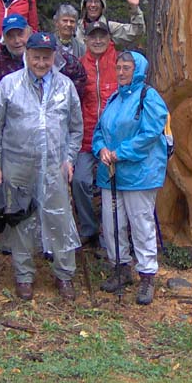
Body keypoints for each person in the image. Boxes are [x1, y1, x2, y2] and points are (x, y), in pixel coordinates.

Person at [0, 32, 83, 301]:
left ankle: (64, 274)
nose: (41, 63)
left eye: (46, 58)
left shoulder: (65, 86)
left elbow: (76, 128)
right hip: (17, 164)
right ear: (27, 55)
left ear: (54, 57)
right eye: (36, 57)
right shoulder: (9, 85)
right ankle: (24, 276)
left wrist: (69, 159)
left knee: (60, 219)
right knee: (21, 220)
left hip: (54, 165)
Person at [92, 51, 169, 305]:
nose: (121, 72)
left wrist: (120, 153)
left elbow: (150, 133)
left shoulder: (149, 97)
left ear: (138, 70)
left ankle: (147, 275)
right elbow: (100, 131)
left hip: (140, 174)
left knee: (141, 223)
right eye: (119, 67)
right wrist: (101, 149)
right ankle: (120, 268)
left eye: (127, 67)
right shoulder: (114, 98)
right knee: (112, 223)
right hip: (111, 172)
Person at [73, 20, 118, 247]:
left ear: (109, 39)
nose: (98, 41)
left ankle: (109, 235)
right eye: (93, 37)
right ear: (86, 39)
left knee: (110, 184)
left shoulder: (120, 63)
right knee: (80, 180)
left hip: (112, 140)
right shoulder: (79, 65)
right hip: (86, 136)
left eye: (102, 36)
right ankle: (88, 227)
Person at [0, 13, 86, 98]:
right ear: (4, 38)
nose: (17, 40)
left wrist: (63, 99)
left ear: (29, 31)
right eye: (10, 36)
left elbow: (79, 73)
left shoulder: (49, 51)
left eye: (20, 34)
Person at [75, 0, 145, 47]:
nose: (93, 5)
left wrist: (134, 9)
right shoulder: (75, 27)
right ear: (84, 6)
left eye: (96, 2)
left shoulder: (110, 27)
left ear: (102, 6)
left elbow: (136, 32)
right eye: (90, 1)